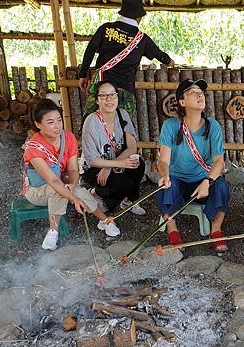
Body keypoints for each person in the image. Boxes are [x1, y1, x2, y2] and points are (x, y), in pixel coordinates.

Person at [22, 99, 119, 250]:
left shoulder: (68, 138)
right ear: (38, 124)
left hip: (63, 183)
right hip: (37, 190)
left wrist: (73, 185)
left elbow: (73, 170)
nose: (57, 126)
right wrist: (73, 198)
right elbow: (53, 180)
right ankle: (53, 231)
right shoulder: (33, 148)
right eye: (50, 122)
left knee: (78, 189)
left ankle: (105, 220)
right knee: (60, 190)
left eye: (59, 120)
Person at [156, 79, 230, 252]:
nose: (199, 95)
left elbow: (219, 162)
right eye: (193, 92)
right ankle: (172, 229)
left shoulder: (213, 126)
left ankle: (216, 229)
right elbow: (163, 160)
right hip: (179, 182)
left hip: (203, 182)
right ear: (182, 102)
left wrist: (207, 181)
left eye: (201, 92)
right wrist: (165, 175)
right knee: (165, 187)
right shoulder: (170, 125)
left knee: (222, 186)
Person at [78, 0, 173, 119]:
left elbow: (90, 50)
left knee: (91, 125)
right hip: (125, 92)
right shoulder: (142, 39)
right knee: (124, 130)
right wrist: (170, 62)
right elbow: (162, 56)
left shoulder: (106, 29)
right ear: (139, 17)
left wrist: (83, 75)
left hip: (102, 90)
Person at [81, 80, 146, 233]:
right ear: (97, 100)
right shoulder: (90, 122)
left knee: (139, 165)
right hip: (94, 167)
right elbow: (92, 160)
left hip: (114, 162)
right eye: (104, 96)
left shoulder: (122, 114)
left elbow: (132, 147)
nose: (109, 99)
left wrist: (113, 165)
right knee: (124, 184)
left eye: (112, 95)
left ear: (117, 97)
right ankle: (96, 193)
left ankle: (128, 201)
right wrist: (113, 165)